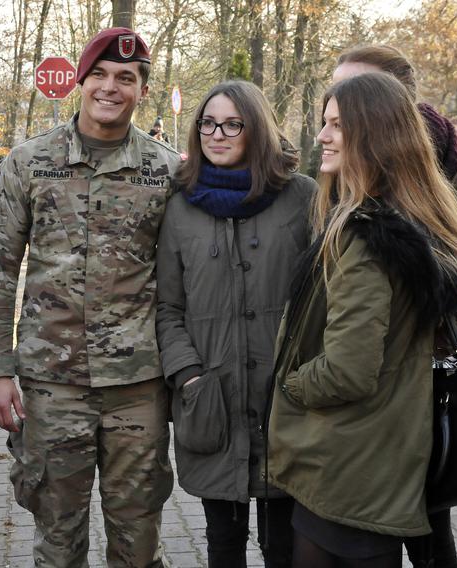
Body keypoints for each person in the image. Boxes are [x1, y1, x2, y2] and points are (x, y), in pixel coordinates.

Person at [0, 27, 180, 567]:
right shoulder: (28, 162)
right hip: (50, 383)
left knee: (138, 542)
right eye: (100, 76)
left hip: (138, 385)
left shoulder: (166, 171)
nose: (111, 88)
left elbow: (185, 278)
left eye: (126, 78)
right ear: (81, 82)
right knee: (57, 542)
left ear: (141, 90)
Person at [268, 72, 457, 568]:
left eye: (337, 126)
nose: (322, 136)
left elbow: (349, 368)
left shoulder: (367, 234)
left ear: (375, 135)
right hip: (378, 457)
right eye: (323, 123)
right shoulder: (410, 223)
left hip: (346, 464)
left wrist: (288, 383)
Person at [155, 80, 316, 566]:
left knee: (283, 547)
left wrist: (304, 372)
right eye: (207, 123)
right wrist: (188, 374)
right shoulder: (180, 203)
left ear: (257, 129)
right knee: (223, 545)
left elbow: (323, 297)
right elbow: (167, 307)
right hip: (213, 400)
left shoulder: (300, 196)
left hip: (285, 402)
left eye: (231, 124)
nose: (216, 134)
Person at [333, 45, 457, 372]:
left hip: (438, 373)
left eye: (360, 88)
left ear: (400, 101)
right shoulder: (333, 176)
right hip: (356, 371)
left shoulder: (451, 172)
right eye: (336, 90)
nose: (343, 99)